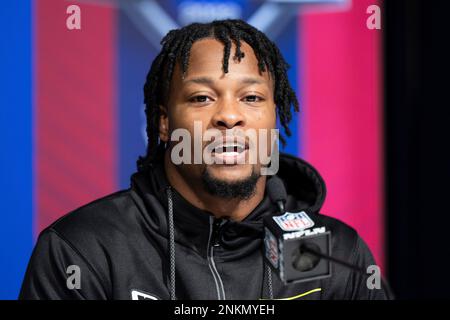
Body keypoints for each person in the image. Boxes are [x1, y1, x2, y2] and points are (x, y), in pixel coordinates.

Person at [19, 19, 391, 300]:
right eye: (201, 98)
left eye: (251, 98)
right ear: (164, 122)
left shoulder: (340, 254)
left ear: (274, 116)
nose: (229, 116)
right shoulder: (83, 250)